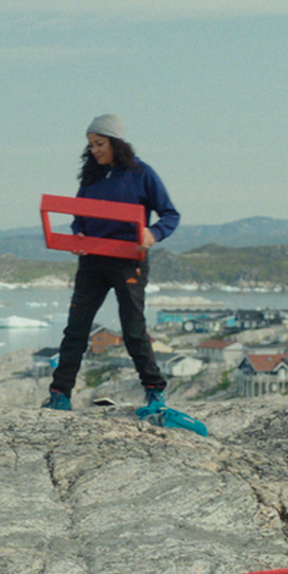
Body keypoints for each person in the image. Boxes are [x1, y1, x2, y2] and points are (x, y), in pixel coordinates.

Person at [42, 113, 180, 415]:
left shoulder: (142, 174)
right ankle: (59, 395)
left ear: (116, 142)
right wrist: (78, 234)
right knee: (76, 329)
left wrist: (152, 233)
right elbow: (79, 214)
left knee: (132, 329)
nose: (94, 150)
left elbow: (170, 214)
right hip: (92, 261)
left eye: (100, 143)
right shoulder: (90, 177)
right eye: (91, 145)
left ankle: (155, 391)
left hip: (129, 262)